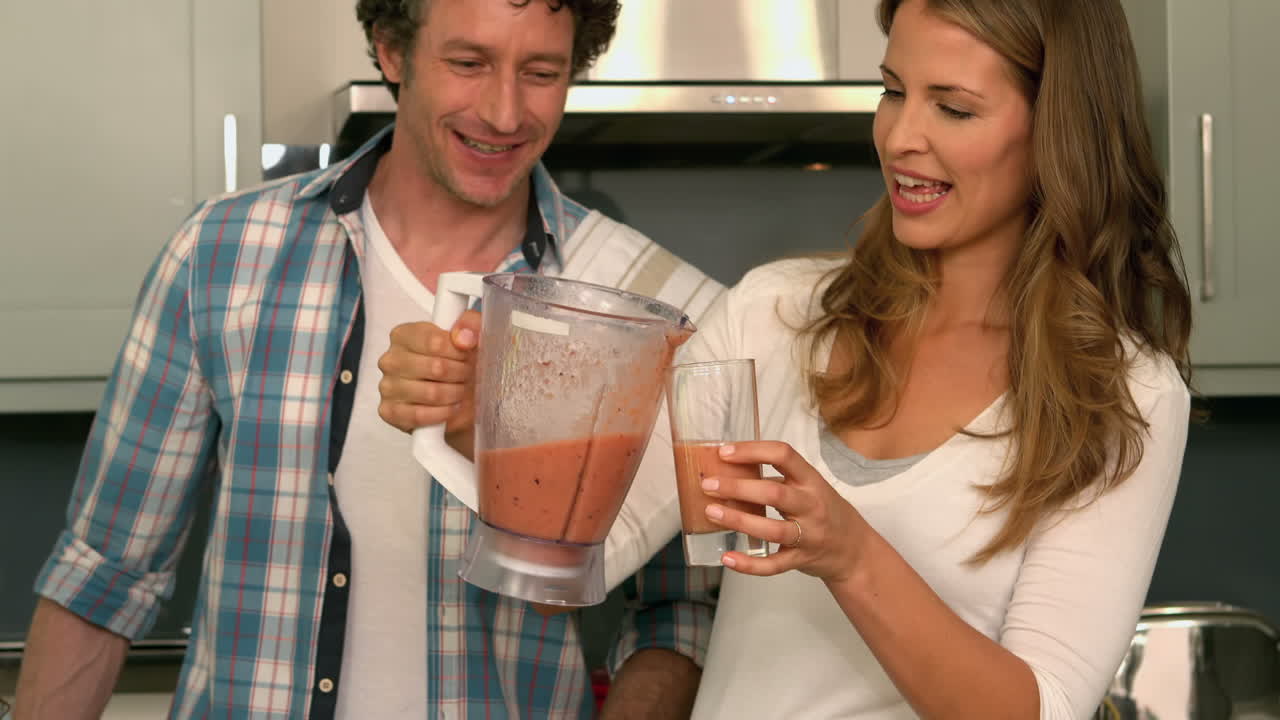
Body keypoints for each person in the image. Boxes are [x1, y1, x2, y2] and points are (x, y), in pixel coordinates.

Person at [377, 0, 1194, 717]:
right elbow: (584, 555)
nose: (902, 137)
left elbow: (1042, 709)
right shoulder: (779, 314)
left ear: (1056, 129)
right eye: (894, 90)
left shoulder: (1127, 394)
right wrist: (473, 422)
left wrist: (853, 553)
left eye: (954, 108)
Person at [12, 1, 724, 718]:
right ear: (391, 51)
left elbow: (678, 612)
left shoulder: (626, 302)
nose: (506, 113)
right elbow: (105, 573)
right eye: (468, 63)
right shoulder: (221, 257)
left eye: (541, 72)